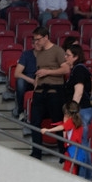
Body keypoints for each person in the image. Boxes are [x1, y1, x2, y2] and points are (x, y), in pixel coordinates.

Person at [28, 27, 70, 160]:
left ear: (46, 37)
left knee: (57, 122)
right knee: (35, 122)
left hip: (54, 91)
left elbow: (66, 69)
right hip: (40, 91)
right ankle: (36, 152)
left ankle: (63, 153)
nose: (36, 42)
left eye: (38, 39)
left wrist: (48, 72)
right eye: (34, 39)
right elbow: (39, 71)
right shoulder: (39, 52)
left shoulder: (57, 50)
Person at [63, 43, 92, 178]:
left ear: (75, 57)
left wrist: (72, 111)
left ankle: (84, 177)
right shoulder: (77, 69)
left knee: (81, 143)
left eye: (68, 55)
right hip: (83, 110)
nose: (65, 57)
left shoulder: (79, 69)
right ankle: (84, 176)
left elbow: (79, 91)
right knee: (81, 143)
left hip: (81, 110)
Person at [41, 102, 90, 177]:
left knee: (69, 170)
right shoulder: (78, 121)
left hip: (72, 149)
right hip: (76, 148)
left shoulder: (71, 121)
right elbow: (65, 134)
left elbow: (62, 127)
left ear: (67, 113)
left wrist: (48, 130)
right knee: (72, 169)